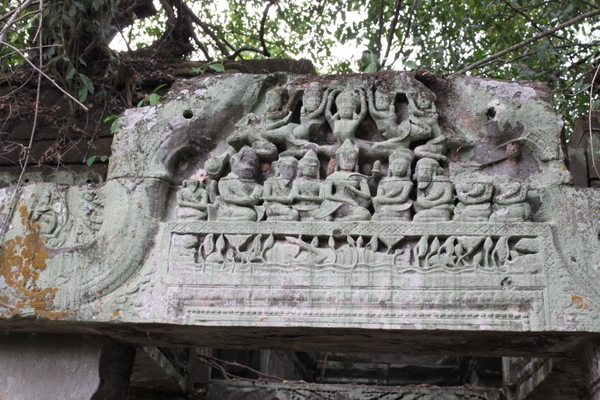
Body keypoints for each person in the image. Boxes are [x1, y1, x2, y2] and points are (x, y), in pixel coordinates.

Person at [314, 140, 371, 221]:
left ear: (355, 161)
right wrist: (346, 200)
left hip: (352, 205)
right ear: (338, 161)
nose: (347, 162)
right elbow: (327, 196)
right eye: (344, 159)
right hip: (334, 204)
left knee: (365, 215)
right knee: (325, 217)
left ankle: (339, 220)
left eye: (351, 159)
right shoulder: (332, 177)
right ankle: (333, 218)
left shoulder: (359, 177)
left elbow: (367, 196)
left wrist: (353, 189)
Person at [217, 147, 263, 221]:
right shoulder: (224, 182)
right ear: (234, 164)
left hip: (249, 210)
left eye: (252, 165)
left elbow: (254, 200)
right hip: (230, 208)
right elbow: (226, 198)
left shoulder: (259, 187)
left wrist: (247, 200)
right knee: (250, 214)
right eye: (243, 163)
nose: (248, 167)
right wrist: (245, 200)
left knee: (251, 214)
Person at [372, 149, 414, 221]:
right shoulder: (383, 181)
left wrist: (384, 200)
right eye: (396, 164)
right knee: (375, 216)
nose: (398, 167)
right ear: (390, 167)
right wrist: (380, 199)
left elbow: (402, 199)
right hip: (384, 208)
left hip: (401, 208)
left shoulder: (407, 183)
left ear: (407, 169)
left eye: (402, 165)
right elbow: (378, 197)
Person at [413, 157, 454, 221]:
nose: (424, 172)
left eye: (428, 169)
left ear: (434, 171)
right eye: (422, 169)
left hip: (441, 207)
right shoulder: (421, 183)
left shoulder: (444, 181)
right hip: (426, 207)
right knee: (416, 208)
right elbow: (420, 199)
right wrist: (424, 202)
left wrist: (431, 203)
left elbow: (447, 198)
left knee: (417, 217)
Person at [263, 156, 300, 221]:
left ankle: (273, 219)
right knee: (294, 214)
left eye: (291, 168)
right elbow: (266, 199)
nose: (288, 171)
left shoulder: (296, 183)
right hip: (274, 207)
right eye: (284, 167)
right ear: (278, 168)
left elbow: (290, 200)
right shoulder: (269, 182)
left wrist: (271, 198)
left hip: (290, 207)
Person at [291, 150, 324, 221]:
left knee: (327, 218)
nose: (309, 168)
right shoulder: (297, 182)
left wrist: (304, 198)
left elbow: (322, 198)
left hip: (315, 207)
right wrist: (312, 198)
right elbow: (295, 195)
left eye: (312, 166)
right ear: (302, 167)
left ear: (317, 169)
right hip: (299, 207)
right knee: (292, 214)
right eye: (306, 166)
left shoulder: (320, 183)